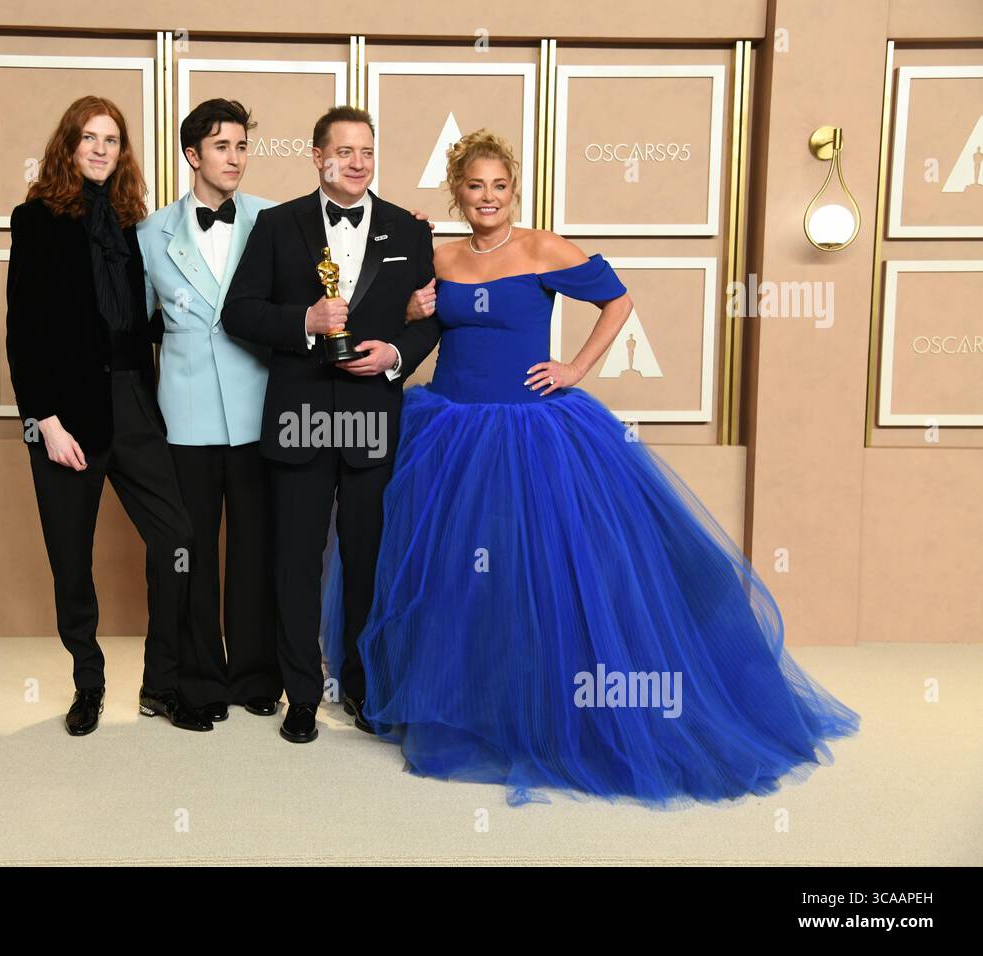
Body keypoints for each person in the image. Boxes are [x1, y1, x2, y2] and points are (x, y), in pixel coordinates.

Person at [322, 130, 860, 806]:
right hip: (449, 426)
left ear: (513, 192)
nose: (488, 197)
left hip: (529, 430)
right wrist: (407, 307)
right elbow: (407, 321)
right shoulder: (441, 258)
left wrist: (575, 367)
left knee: (542, 571)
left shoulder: (544, 248)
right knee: (456, 573)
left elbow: (618, 302)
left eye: (500, 186)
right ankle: (473, 704)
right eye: (475, 185)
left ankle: (546, 708)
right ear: (456, 191)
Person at [222, 105, 441, 743]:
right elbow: (240, 313)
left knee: (368, 560)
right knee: (295, 561)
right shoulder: (276, 224)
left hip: (374, 417)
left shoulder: (407, 228)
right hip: (300, 416)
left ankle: (364, 691)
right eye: (343, 151)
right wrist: (305, 323)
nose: (357, 162)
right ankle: (300, 696)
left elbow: (429, 317)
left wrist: (397, 353)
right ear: (317, 157)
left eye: (366, 151)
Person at [5, 95, 210, 736]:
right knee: (72, 557)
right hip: (68, 416)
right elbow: (23, 330)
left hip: (134, 404)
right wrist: (46, 420)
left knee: (177, 539)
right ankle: (87, 684)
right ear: (68, 146)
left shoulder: (132, 226)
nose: (99, 148)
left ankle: (162, 684)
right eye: (88, 137)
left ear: (123, 153)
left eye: (112, 140)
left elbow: (145, 316)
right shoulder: (35, 219)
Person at [136, 99, 283, 723]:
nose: (236, 157)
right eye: (222, 146)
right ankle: (196, 682)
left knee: (255, 549)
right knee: (189, 555)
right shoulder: (148, 235)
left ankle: (254, 675)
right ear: (192, 155)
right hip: (186, 419)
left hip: (258, 413)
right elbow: (135, 330)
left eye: (242, 146)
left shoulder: (276, 222)